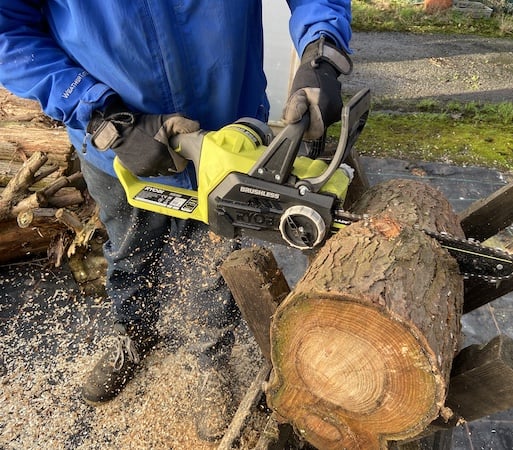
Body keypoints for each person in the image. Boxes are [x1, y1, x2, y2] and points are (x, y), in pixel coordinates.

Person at [0, 1, 352, 442]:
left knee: (217, 264)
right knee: (127, 249)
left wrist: (321, 48)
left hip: (227, 132)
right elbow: (8, 32)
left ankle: (211, 359)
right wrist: (101, 116)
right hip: (120, 140)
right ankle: (132, 332)